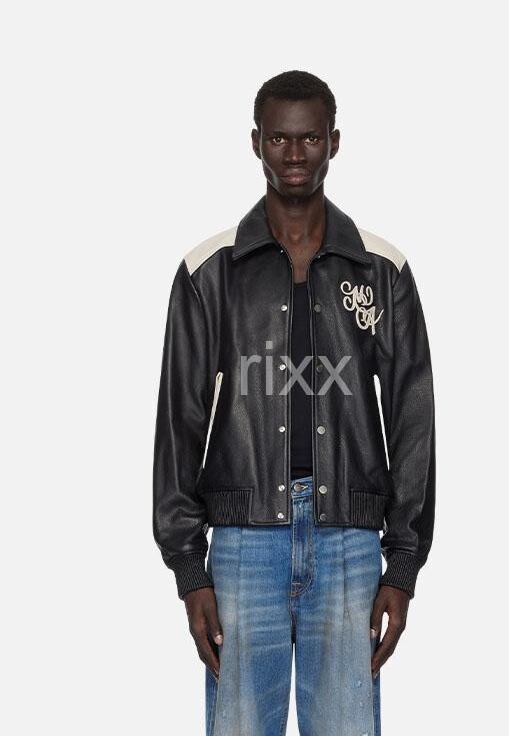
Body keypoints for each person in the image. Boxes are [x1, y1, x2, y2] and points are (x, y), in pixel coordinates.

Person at [153, 69, 436, 736]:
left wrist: (401, 565)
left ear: (334, 141)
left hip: (350, 545)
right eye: (279, 138)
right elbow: (179, 423)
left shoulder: (382, 271)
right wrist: (191, 569)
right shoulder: (208, 273)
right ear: (256, 142)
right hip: (242, 544)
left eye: (309, 137)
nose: (295, 153)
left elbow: (412, 420)